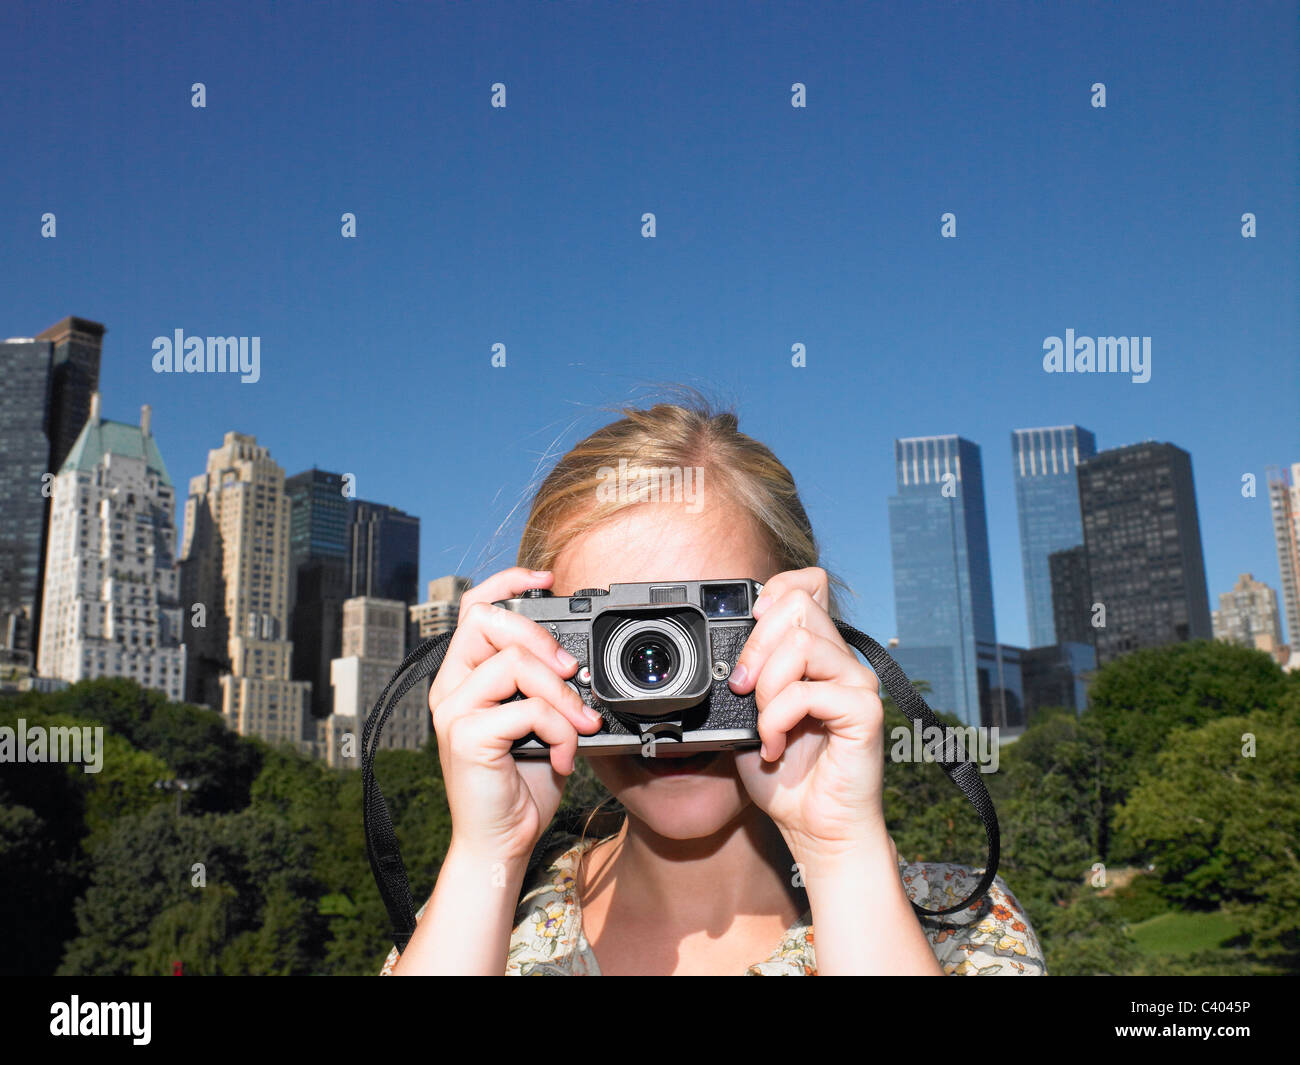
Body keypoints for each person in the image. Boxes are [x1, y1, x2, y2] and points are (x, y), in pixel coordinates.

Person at [382, 398, 1046, 975]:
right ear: (538, 643)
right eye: (615, 635)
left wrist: (841, 851)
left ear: (810, 627)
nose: (661, 685)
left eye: (705, 625)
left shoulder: (961, 923)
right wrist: (486, 854)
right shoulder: (465, 928)